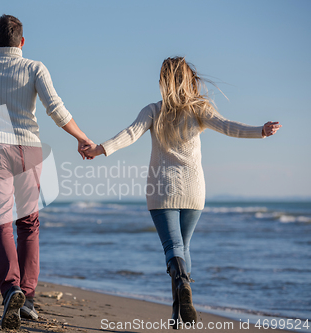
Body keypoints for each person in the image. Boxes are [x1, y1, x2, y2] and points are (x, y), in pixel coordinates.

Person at [82, 57, 281, 329]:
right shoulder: (199, 108)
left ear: (164, 82)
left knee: (173, 250)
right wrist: (260, 131)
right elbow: (228, 126)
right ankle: (178, 314)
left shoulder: (153, 110)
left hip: (162, 190)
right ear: (188, 80)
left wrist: (99, 149)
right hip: (194, 191)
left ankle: (182, 285)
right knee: (183, 249)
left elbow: (129, 134)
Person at [0, 14, 93, 330]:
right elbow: (55, 109)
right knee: (28, 224)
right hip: (28, 150)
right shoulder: (34, 67)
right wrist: (82, 137)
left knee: (0, 222)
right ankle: (27, 299)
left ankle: (11, 290)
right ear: (22, 41)